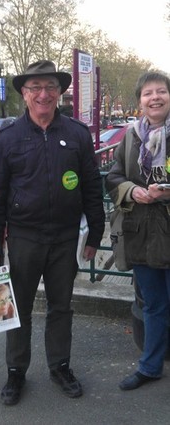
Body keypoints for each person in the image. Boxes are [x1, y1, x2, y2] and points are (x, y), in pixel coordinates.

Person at [0, 60, 105, 405]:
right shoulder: (7, 139)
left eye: (50, 86)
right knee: (16, 308)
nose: (43, 94)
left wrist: (95, 234)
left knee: (61, 307)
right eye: (35, 87)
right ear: (23, 94)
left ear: (59, 92)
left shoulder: (77, 135)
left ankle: (60, 366)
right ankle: (15, 372)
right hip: (23, 239)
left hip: (66, 238)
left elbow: (92, 188)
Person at [106, 71, 170, 391]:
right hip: (141, 233)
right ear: (140, 101)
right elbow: (113, 177)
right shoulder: (130, 137)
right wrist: (133, 191)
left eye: (161, 91)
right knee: (153, 304)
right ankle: (150, 366)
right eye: (148, 93)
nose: (155, 97)